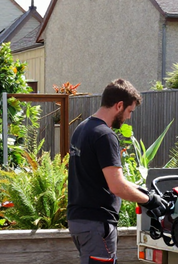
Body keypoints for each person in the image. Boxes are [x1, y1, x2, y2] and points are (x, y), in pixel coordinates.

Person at [67, 79, 167, 264]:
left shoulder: (82, 129)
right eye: (129, 111)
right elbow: (117, 186)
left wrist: (142, 191)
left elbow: (105, 178)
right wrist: (150, 201)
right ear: (119, 105)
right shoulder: (104, 135)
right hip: (97, 224)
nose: (129, 117)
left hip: (79, 221)